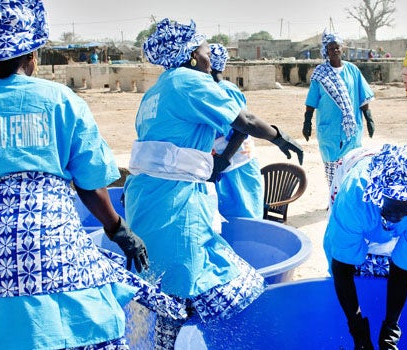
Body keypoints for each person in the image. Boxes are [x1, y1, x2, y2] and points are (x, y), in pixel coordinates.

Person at [0, 1, 188, 349]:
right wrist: (119, 229)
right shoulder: (60, 100)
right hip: (48, 243)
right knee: (86, 313)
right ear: (33, 55)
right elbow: (89, 184)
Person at [123, 18, 303, 349]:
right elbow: (245, 121)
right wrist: (280, 137)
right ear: (192, 55)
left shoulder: (156, 91)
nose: (210, 55)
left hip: (147, 202)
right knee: (230, 287)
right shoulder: (188, 82)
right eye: (206, 48)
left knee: (169, 297)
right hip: (175, 208)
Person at [324, 144, 407, 350]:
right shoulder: (354, 198)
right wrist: (357, 328)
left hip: (388, 211)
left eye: (404, 212)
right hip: (358, 195)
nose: (395, 219)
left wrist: (391, 327)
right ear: (378, 195)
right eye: (390, 211)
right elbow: (342, 267)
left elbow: (403, 269)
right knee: (352, 268)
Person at [303, 31, 375, 189]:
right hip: (329, 130)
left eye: (337, 47)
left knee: (352, 164)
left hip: (352, 129)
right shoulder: (320, 74)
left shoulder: (353, 71)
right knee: (332, 168)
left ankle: (349, 198)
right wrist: (307, 121)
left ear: (342, 49)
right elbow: (311, 101)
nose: (335, 50)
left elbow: (363, 97)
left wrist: (369, 119)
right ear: (326, 51)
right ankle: (334, 199)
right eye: (331, 48)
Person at [208, 43, 264, 218]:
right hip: (219, 164)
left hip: (238, 164)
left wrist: (224, 159)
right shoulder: (206, 91)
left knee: (245, 216)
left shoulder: (226, 90)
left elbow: (242, 128)